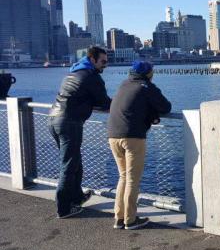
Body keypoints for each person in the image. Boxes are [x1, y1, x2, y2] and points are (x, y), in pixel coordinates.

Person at [107, 61, 172, 230]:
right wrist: (152, 114)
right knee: (133, 180)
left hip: (113, 135)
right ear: (149, 74)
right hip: (132, 137)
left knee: (123, 177)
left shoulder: (124, 84)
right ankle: (131, 220)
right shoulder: (146, 87)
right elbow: (166, 107)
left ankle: (119, 217)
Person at [49, 46, 111, 218]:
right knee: (69, 166)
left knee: (74, 162)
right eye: (103, 61)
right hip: (70, 123)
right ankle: (63, 209)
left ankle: (77, 197)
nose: (105, 65)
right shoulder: (92, 77)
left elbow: (79, 96)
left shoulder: (72, 73)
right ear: (92, 60)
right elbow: (105, 103)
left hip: (54, 120)